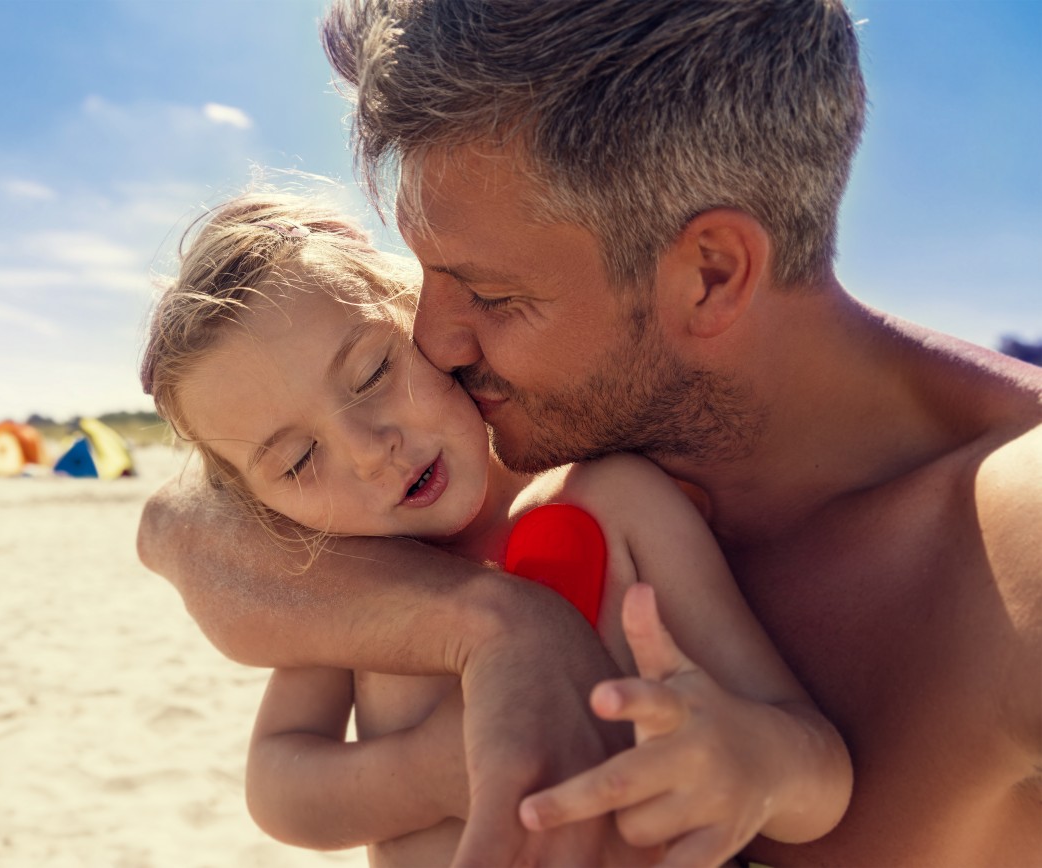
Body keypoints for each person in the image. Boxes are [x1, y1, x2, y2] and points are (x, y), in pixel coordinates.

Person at [138, 1, 1042, 865]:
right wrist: (497, 632)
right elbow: (173, 528)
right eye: (426, 277)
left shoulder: (1010, 536)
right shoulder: (446, 501)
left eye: (490, 293)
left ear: (711, 275)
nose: (436, 337)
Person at [140, 192, 852, 867]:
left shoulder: (617, 505)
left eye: (371, 373)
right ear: (264, 507)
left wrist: (750, 762)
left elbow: (817, 766)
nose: (367, 448)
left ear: (420, 318)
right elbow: (279, 787)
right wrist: (429, 772)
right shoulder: (346, 578)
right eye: (298, 461)